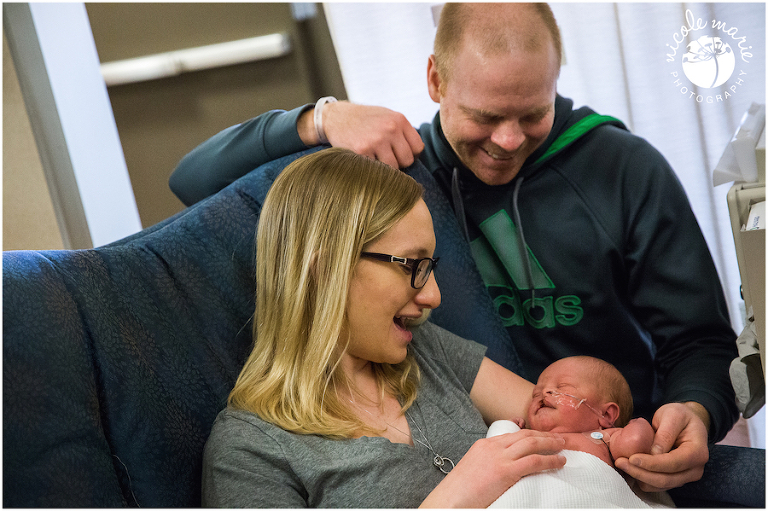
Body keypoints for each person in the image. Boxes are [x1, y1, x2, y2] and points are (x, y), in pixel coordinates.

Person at [173, 3, 738, 493]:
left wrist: (692, 411)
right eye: (486, 116)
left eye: (533, 114)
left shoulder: (625, 169)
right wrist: (318, 119)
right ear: (436, 81)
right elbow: (196, 188)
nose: (508, 139)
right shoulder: (403, 183)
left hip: (608, 439)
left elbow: (701, 342)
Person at [202, 147, 568, 508]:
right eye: (412, 265)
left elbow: (566, 424)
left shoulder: (424, 348)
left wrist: (617, 444)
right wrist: (457, 497)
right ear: (325, 269)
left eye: (430, 266)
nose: (433, 297)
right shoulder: (250, 449)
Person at [486, 355, 673, 508]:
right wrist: (508, 427)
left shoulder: (602, 439)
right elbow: (494, 454)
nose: (545, 393)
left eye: (562, 388)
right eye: (536, 393)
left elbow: (634, 443)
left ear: (607, 415)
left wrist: (640, 423)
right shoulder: (530, 436)